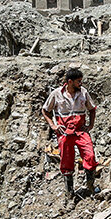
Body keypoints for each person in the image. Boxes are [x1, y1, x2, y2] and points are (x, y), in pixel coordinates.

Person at [42, 68, 98, 197]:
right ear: (69, 82)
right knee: (66, 162)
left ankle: (90, 187)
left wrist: (90, 125)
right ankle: (70, 193)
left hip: (80, 131)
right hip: (64, 133)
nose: (81, 84)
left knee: (89, 156)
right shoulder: (56, 94)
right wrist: (53, 126)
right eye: (78, 81)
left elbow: (92, 109)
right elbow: (45, 111)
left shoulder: (83, 92)